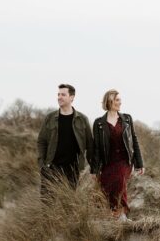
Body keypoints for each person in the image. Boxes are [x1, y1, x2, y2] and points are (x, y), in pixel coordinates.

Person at [91, 89, 145, 220]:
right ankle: (111, 212)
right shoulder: (99, 123)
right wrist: (94, 170)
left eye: (119, 100)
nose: (120, 102)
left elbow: (134, 140)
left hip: (125, 160)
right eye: (117, 100)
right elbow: (96, 148)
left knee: (119, 178)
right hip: (108, 162)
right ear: (109, 101)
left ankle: (122, 213)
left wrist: (139, 163)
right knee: (105, 183)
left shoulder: (127, 119)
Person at [37, 83, 93, 193]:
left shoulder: (82, 119)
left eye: (63, 94)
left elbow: (90, 144)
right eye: (58, 94)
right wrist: (42, 165)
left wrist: (93, 168)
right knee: (47, 201)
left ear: (71, 97)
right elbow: (41, 141)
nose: (59, 97)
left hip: (73, 170)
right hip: (50, 168)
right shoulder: (50, 118)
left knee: (68, 201)